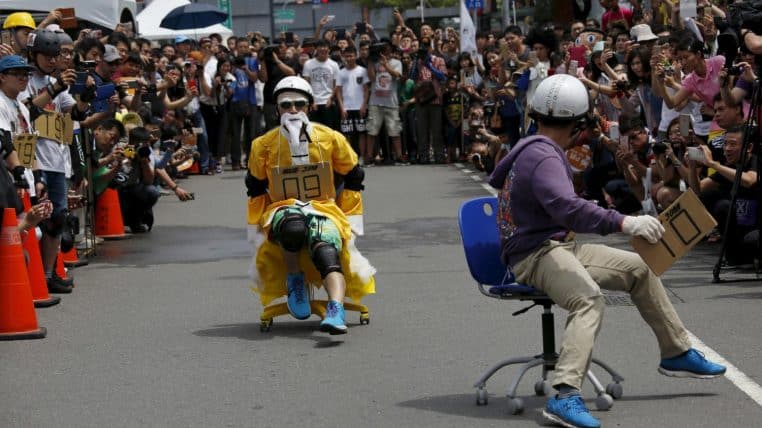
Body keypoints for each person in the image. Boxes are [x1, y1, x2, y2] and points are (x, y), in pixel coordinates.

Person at [489, 74, 726, 428]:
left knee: (639, 268)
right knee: (588, 298)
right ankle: (565, 393)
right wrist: (625, 222)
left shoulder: (533, 147)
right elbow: (567, 208)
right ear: (578, 122)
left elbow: (561, 207)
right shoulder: (542, 156)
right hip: (533, 254)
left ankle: (675, 351)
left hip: (554, 245)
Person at [245, 76, 375, 334]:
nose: (293, 111)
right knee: (293, 228)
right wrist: (255, 231)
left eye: (299, 104)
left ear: (309, 106)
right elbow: (256, 187)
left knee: (326, 250)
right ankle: (295, 279)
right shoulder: (263, 145)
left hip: (323, 207)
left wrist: (350, 217)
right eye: (286, 105)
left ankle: (335, 309)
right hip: (283, 208)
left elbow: (353, 175)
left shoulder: (330, 137)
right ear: (277, 109)